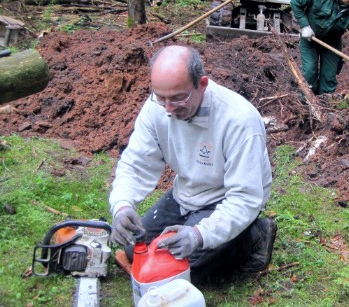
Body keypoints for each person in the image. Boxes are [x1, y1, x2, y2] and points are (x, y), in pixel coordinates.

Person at [109, 45, 275, 282]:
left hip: (226, 198)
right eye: (161, 97)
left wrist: (198, 235)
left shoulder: (239, 120)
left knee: (180, 270)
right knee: (136, 251)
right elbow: (136, 163)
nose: (168, 108)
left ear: (202, 84)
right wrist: (122, 206)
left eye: (178, 98)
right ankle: (207, 232)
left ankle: (255, 235)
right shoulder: (156, 107)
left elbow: (245, 198)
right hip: (187, 193)